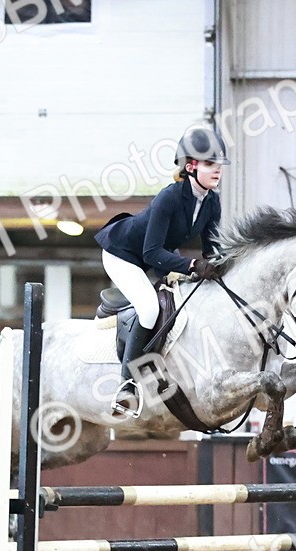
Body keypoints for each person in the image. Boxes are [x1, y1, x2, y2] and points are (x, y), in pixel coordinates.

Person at [94, 124, 227, 417]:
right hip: (123, 254)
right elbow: (151, 251)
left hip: (153, 259)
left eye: (219, 165)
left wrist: (221, 265)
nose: (217, 170)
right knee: (150, 309)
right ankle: (126, 385)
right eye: (210, 164)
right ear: (190, 166)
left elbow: (211, 249)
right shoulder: (170, 197)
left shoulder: (211, 202)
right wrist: (192, 265)